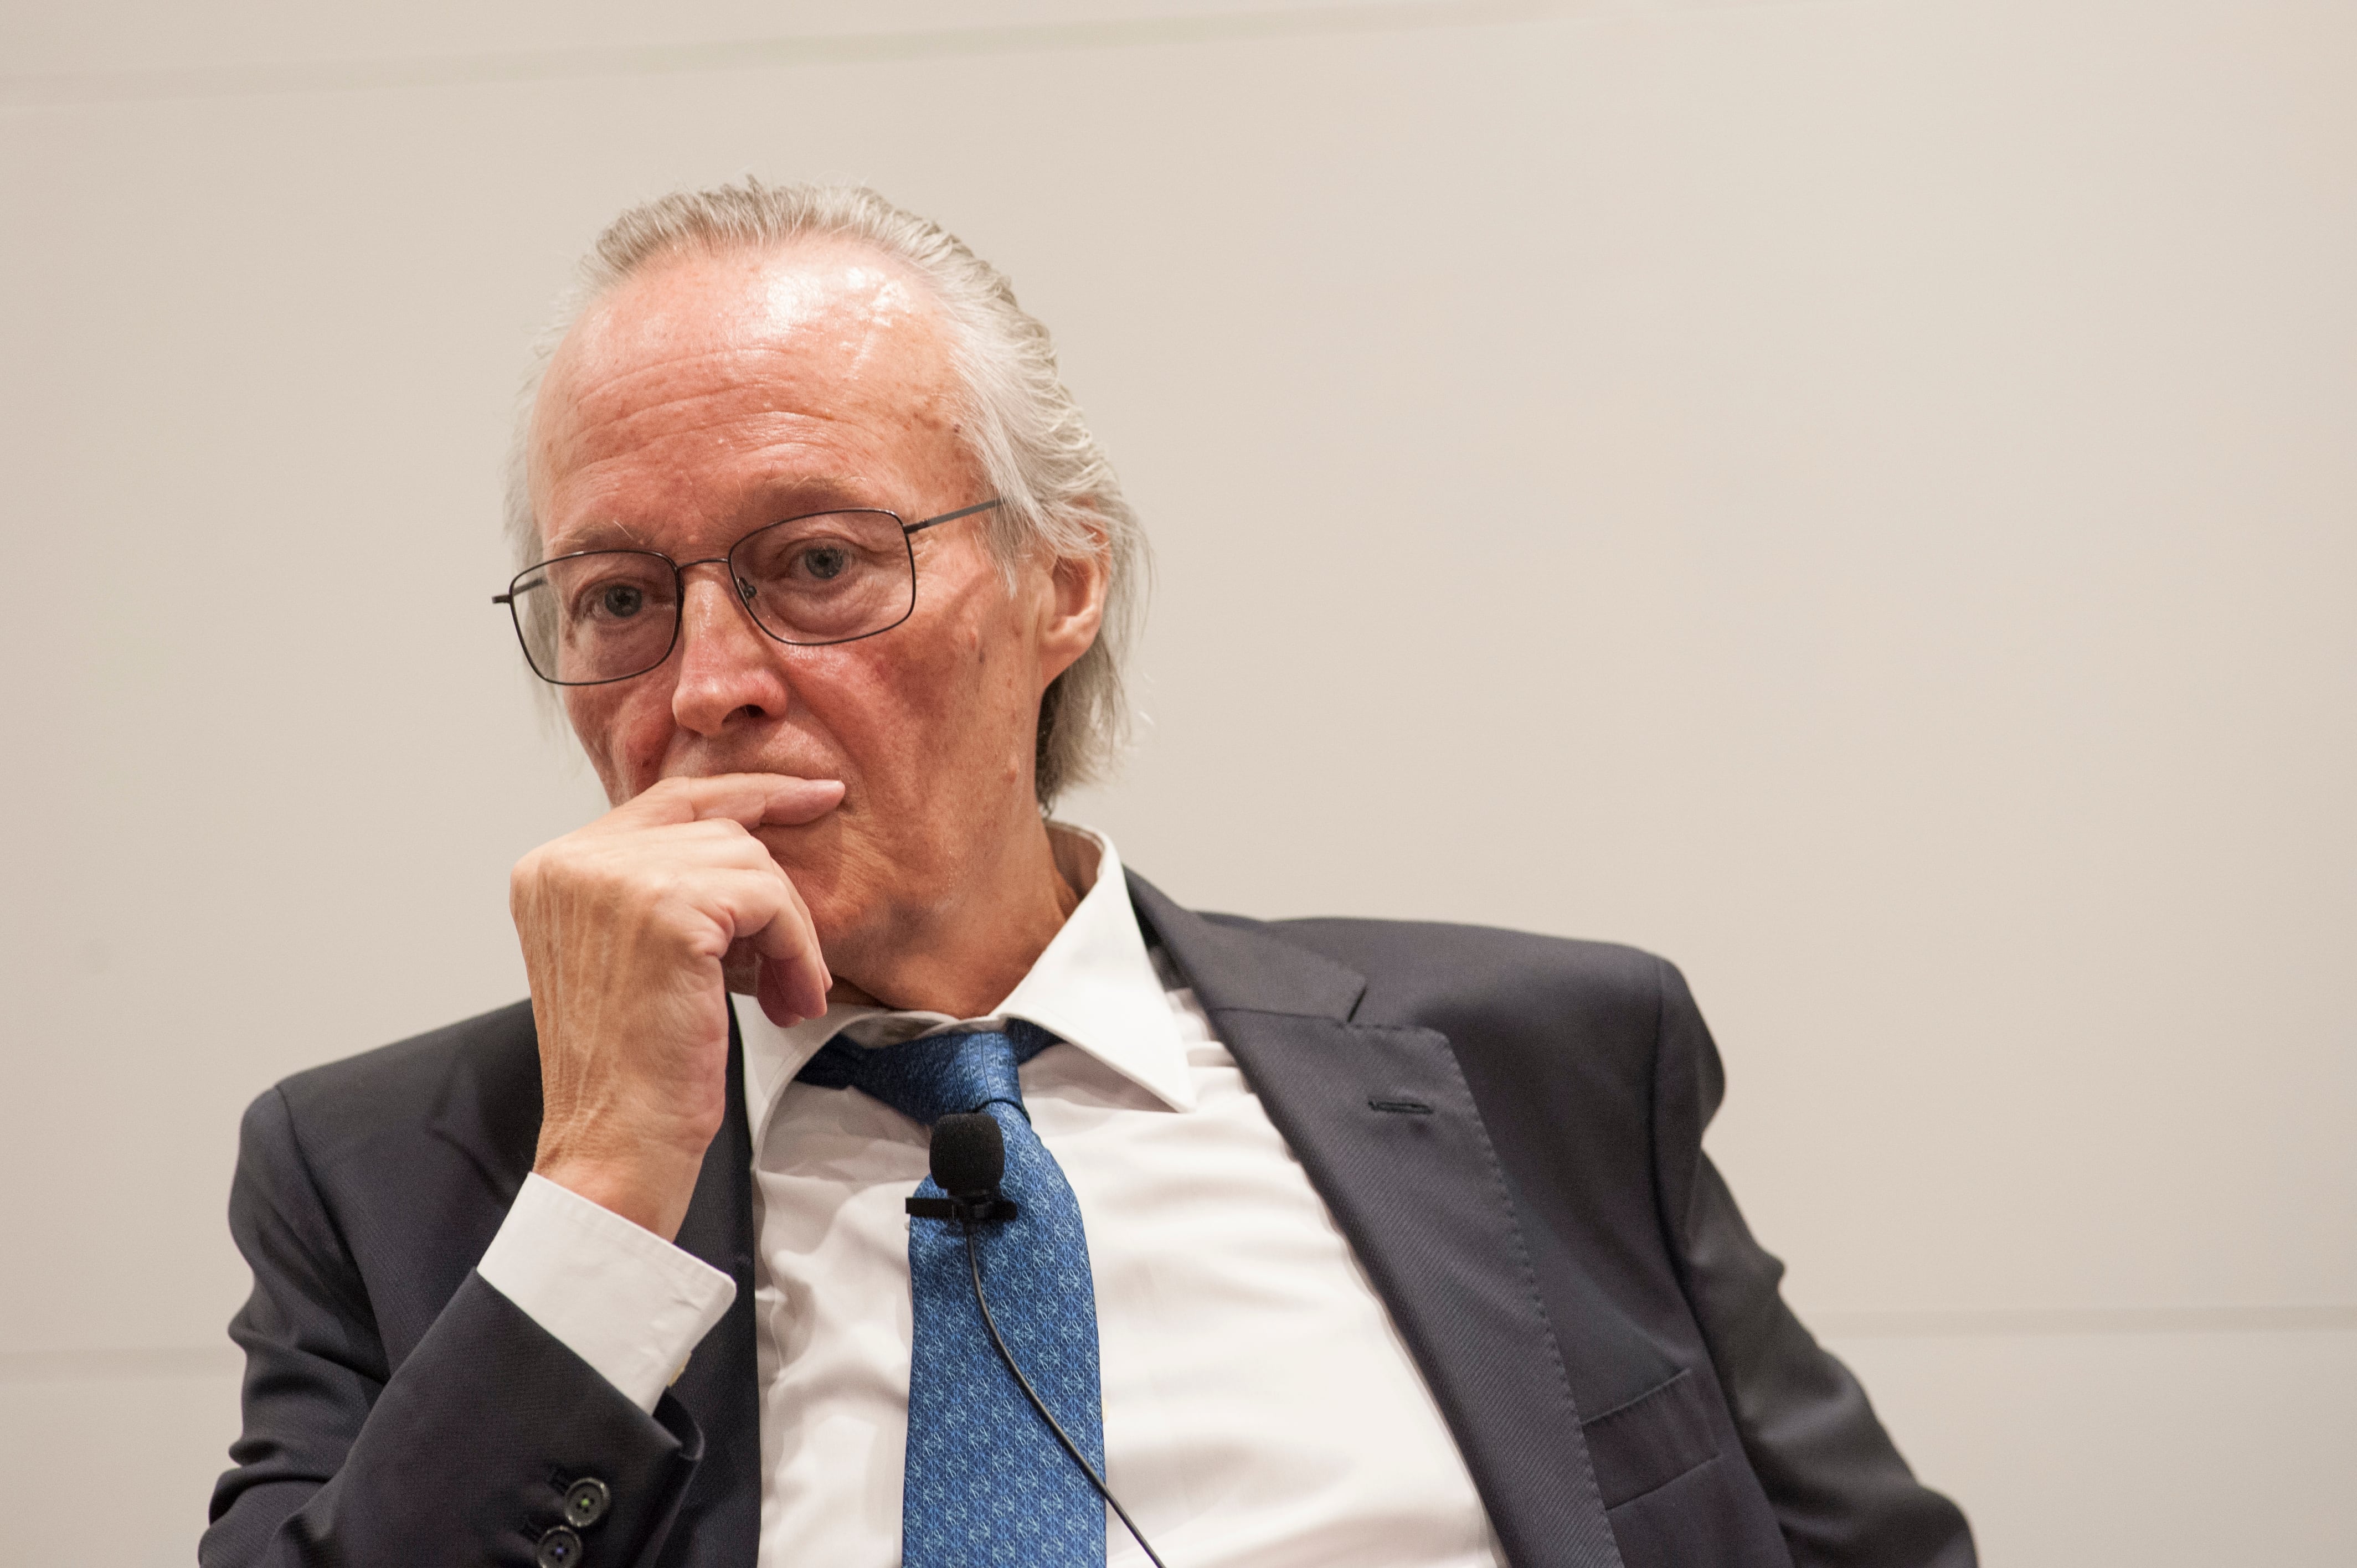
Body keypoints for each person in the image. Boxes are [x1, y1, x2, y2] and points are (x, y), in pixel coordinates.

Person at [204, 180, 1974, 1568]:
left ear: (1062, 587)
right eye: (617, 599)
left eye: (816, 560)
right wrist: (599, 1192)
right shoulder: (396, 1176)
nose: (709, 679)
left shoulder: (1549, 1060)